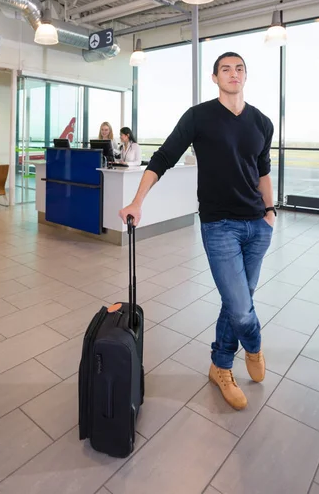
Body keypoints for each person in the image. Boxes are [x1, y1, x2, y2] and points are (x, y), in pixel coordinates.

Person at [119, 52, 275, 411]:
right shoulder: (199, 117)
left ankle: (221, 365)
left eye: (239, 69)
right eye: (226, 69)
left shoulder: (262, 123)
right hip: (219, 226)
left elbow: (262, 170)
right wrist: (137, 202)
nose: (233, 74)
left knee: (235, 300)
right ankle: (253, 345)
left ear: (246, 76)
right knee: (241, 309)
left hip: (256, 225)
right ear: (214, 77)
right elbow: (163, 157)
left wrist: (269, 211)